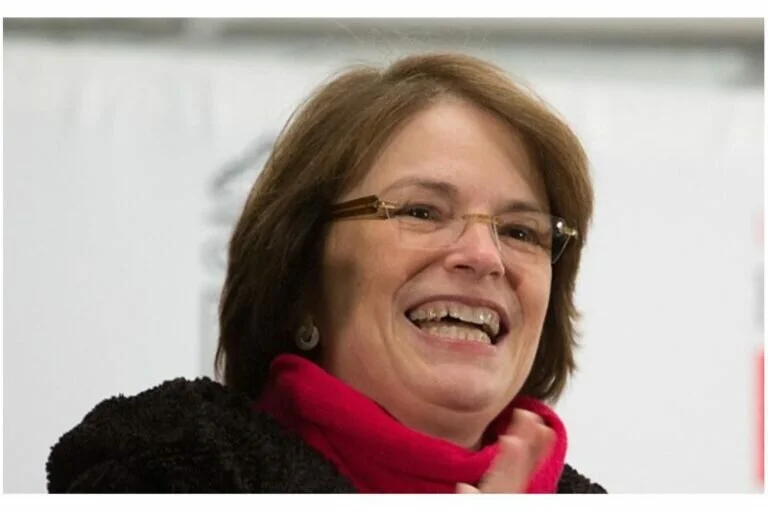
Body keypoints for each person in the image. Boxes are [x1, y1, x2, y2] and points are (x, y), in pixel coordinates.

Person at [47, 52, 605, 494]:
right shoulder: (166, 468)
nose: (485, 256)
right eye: (420, 212)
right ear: (301, 278)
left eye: (520, 231)